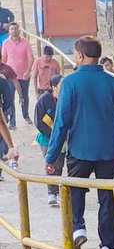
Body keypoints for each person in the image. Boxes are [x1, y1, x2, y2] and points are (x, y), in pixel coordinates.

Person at [45, 35, 114, 249]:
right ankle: (108, 246)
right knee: (107, 197)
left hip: (79, 150)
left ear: (81, 55)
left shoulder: (69, 82)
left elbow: (61, 122)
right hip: (108, 151)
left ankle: (78, 227)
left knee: (75, 189)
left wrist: (52, 156)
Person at [34, 74, 63, 206]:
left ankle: (58, 189)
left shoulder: (66, 98)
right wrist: (52, 135)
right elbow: (38, 121)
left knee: (60, 164)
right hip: (47, 138)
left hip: (62, 138)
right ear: (53, 87)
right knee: (50, 162)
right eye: (61, 86)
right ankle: (52, 192)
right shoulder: (44, 100)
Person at [1, 22, 35, 127]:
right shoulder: (6, 43)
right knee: (10, 97)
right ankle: (12, 121)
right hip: (9, 76)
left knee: (24, 96)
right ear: (9, 31)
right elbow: (4, 58)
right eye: (12, 29)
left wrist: (28, 71)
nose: (14, 31)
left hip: (23, 75)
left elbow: (30, 57)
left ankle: (26, 115)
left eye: (16, 29)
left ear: (19, 30)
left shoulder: (26, 43)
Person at [0, 61, 16, 132]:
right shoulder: (2, 79)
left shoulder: (3, 77)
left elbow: (9, 99)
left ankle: (12, 123)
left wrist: (3, 109)